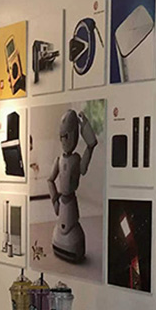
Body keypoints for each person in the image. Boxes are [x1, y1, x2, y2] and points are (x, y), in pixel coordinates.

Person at [47, 109, 97, 263]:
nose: (64, 140)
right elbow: (50, 180)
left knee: (71, 227)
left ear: (74, 135)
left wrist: (86, 130)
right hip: (62, 202)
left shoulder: (76, 159)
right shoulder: (59, 160)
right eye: (62, 137)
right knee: (63, 228)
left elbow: (84, 166)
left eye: (67, 136)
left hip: (69, 201)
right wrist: (54, 201)